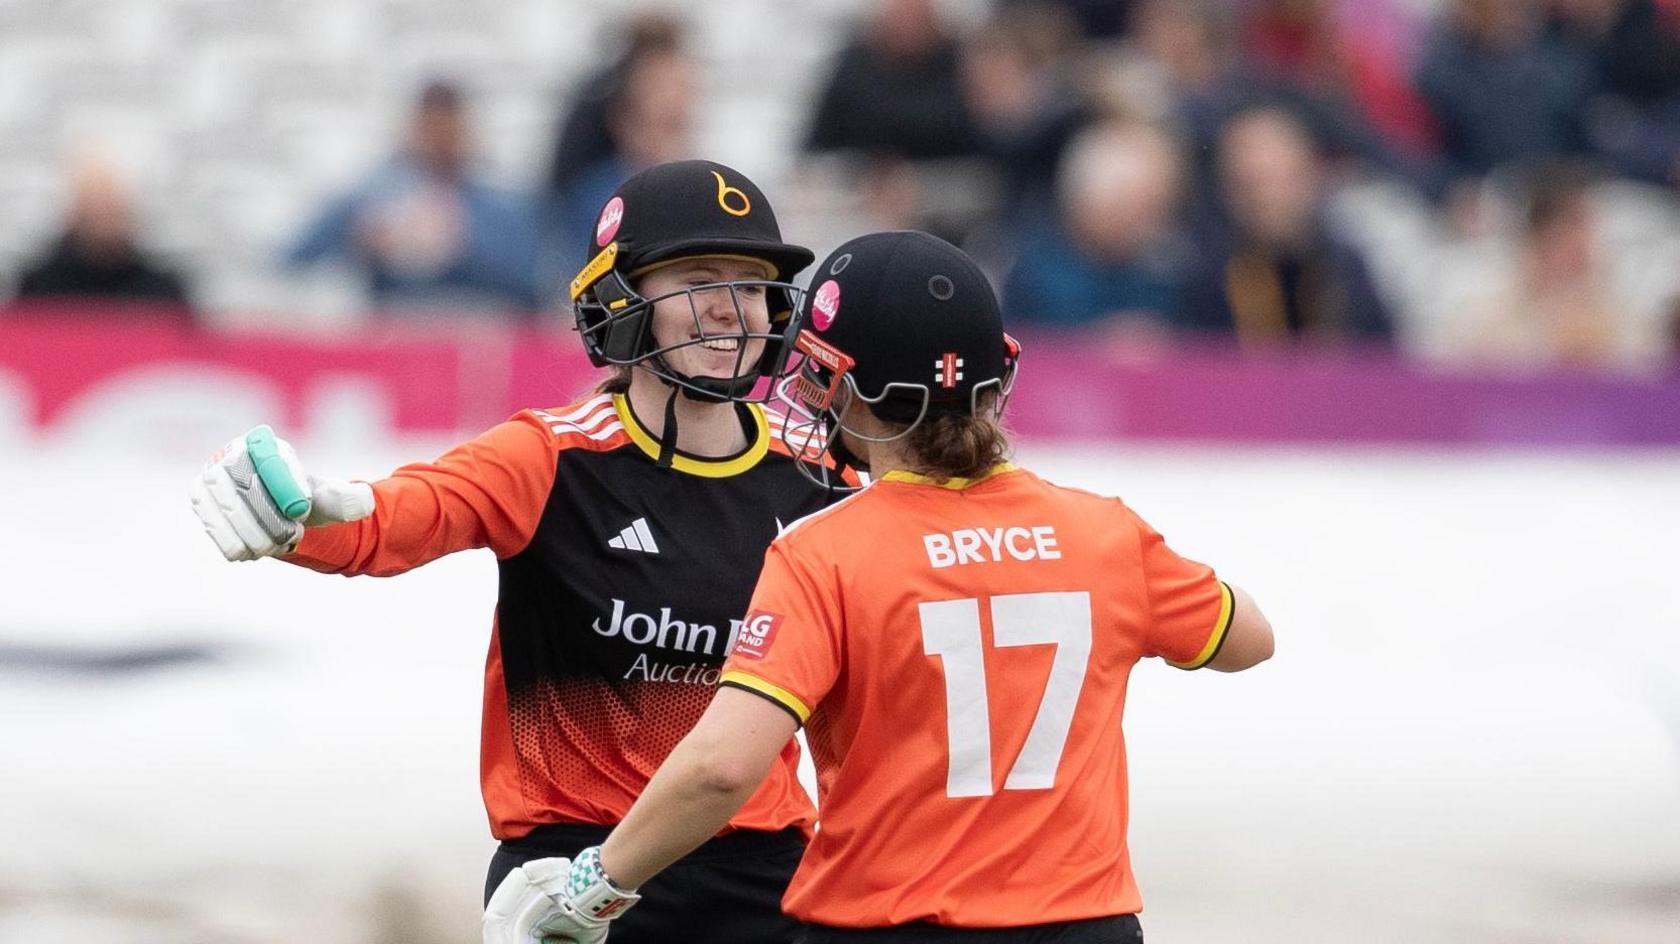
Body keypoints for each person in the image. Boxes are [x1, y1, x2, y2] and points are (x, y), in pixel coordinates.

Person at [487, 230, 1275, 944]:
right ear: (996, 375)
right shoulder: (1103, 533)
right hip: (1086, 925)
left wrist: (593, 886)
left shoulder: (823, 552)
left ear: (845, 386)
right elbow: (1248, 640)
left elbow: (721, 769)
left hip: (891, 925)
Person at [193, 160, 853, 944]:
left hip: (761, 871)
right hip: (567, 871)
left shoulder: (821, 477)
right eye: (697, 278)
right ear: (622, 301)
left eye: (749, 284)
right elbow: (398, 516)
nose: (728, 308)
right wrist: (300, 520)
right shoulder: (550, 456)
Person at [284, 79, 541, 316]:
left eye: (448, 128)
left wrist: (460, 244)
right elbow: (296, 258)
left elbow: (535, 283)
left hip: (479, 334)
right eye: (430, 127)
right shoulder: (373, 196)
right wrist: (362, 239)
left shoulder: (502, 201)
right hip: (392, 336)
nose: (439, 140)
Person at [14, 155, 192, 314]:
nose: (104, 215)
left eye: (112, 207)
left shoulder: (162, 291)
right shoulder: (39, 288)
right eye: (95, 205)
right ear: (75, 210)